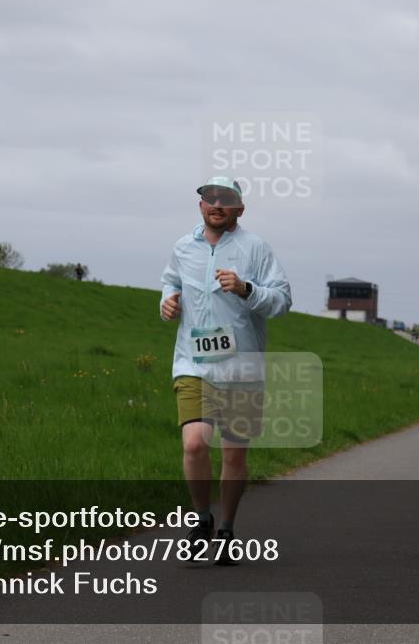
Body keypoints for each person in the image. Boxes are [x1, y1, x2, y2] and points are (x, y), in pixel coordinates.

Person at [160, 175, 291, 564]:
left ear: (240, 209)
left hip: (241, 369)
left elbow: (282, 300)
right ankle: (202, 519)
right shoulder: (183, 247)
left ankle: (227, 529)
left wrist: (247, 289)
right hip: (193, 363)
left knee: (233, 457)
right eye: (210, 198)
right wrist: (167, 302)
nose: (217, 205)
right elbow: (169, 282)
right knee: (194, 443)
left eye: (226, 199)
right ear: (201, 205)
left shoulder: (256, 248)